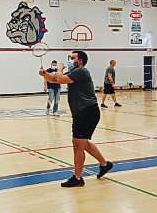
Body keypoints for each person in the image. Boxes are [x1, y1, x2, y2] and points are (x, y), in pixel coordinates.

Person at [39, 51, 113, 187]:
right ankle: (105, 164)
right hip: (82, 113)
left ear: (79, 61)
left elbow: (59, 78)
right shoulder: (73, 73)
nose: (69, 60)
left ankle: (78, 178)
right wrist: (44, 74)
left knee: (78, 144)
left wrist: (60, 68)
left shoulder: (82, 71)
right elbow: (54, 79)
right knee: (82, 143)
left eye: (72, 58)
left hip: (87, 112)